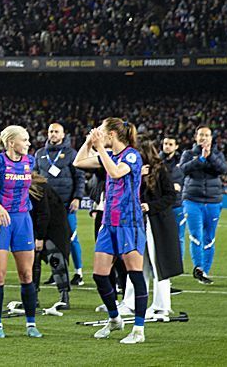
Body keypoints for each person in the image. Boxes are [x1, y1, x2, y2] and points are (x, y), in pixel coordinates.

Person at [74, 118, 148, 345]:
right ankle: (115, 318)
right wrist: (88, 142)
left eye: (102, 131)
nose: (99, 134)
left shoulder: (131, 155)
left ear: (113, 134)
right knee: (99, 274)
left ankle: (139, 329)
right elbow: (78, 162)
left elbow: (116, 173)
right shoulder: (109, 156)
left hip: (130, 222)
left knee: (134, 274)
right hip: (109, 222)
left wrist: (98, 148)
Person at [0, 124, 41, 338]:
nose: (28, 143)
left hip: (23, 220)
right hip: (1, 221)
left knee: (26, 274)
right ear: (11, 142)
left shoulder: (29, 161)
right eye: (24, 140)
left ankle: (31, 324)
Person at [119, 141, 182, 320]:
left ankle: (161, 306)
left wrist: (150, 206)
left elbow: (170, 196)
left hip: (157, 224)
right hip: (137, 223)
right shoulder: (133, 171)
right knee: (136, 263)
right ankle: (130, 303)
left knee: (158, 264)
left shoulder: (160, 170)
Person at [35, 121, 85, 285]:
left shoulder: (71, 153)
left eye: (56, 132)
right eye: (51, 131)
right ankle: (56, 272)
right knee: (51, 241)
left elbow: (79, 177)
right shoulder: (40, 154)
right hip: (47, 206)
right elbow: (35, 179)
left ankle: (79, 273)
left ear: (63, 135)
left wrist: (77, 197)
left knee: (71, 238)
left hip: (66, 204)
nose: (53, 134)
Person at [180, 125, 227, 284]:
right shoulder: (188, 154)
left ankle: (205, 272)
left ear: (211, 138)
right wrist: (200, 159)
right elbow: (183, 170)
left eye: (206, 135)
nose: (203, 138)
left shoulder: (218, 154)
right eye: (200, 135)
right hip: (192, 200)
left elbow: (223, 169)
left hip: (213, 201)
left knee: (209, 238)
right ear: (195, 137)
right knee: (196, 236)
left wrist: (210, 156)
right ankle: (198, 268)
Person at [28, 174, 72, 311]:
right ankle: (32, 297)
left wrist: (40, 237)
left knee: (56, 261)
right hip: (40, 228)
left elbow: (43, 214)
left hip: (55, 230)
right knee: (32, 261)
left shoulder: (38, 189)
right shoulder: (35, 187)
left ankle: (64, 297)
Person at [160, 136, 187, 263]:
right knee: (161, 236)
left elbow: (184, 181)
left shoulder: (182, 163)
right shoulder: (157, 162)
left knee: (179, 237)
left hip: (177, 204)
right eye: (165, 143)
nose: (167, 146)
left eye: (170, 144)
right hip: (161, 204)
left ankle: (177, 262)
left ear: (176, 147)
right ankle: (162, 262)